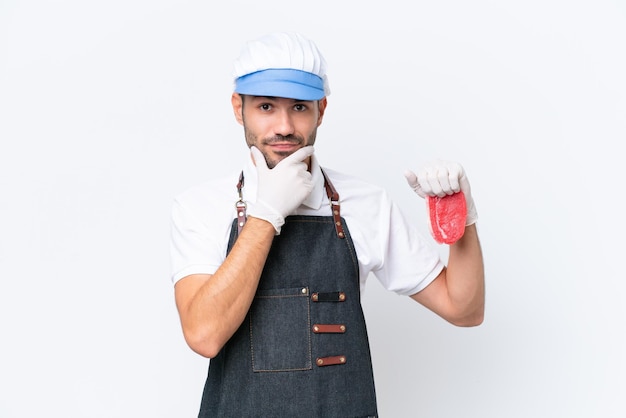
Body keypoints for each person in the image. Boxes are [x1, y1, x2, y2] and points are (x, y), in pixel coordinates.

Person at [170, 31, 485, 418]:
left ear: (321, 108)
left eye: (299, 107)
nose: (284, 126)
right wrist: (267, 214)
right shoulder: (201, 207)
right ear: (239, 108)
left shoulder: (365, 204)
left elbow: (464, 309)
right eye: (266, 106)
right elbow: (204, 335)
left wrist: (462, 219)